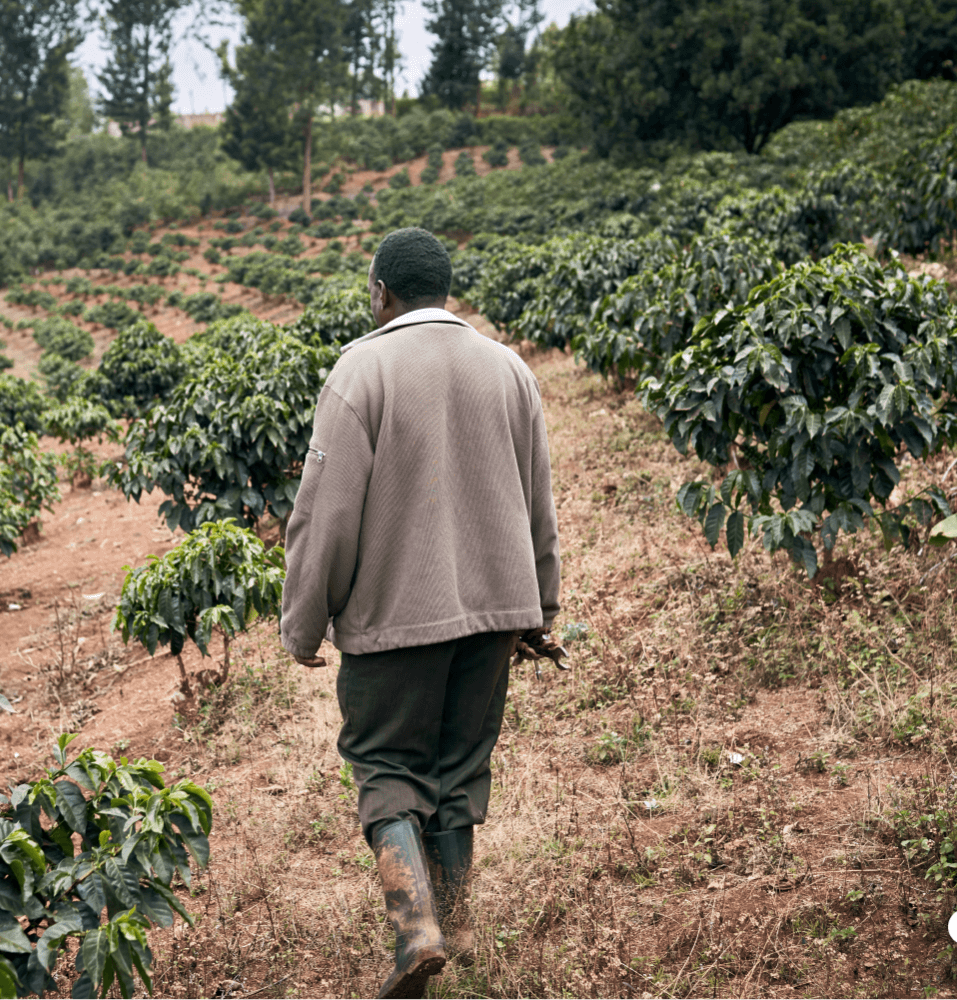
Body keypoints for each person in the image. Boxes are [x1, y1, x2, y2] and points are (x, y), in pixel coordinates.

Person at [279, 227, 564, 999]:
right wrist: (539, 606)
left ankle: (416, 929)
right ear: (446, 289)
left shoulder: (360, 370)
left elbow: (325, 514)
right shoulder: (509, 369)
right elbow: (539, 498)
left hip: (395, 621)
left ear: (380, 293)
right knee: (461, 766)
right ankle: (459, 922)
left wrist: (303, 624)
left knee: (387, 766)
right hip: (496, 614)